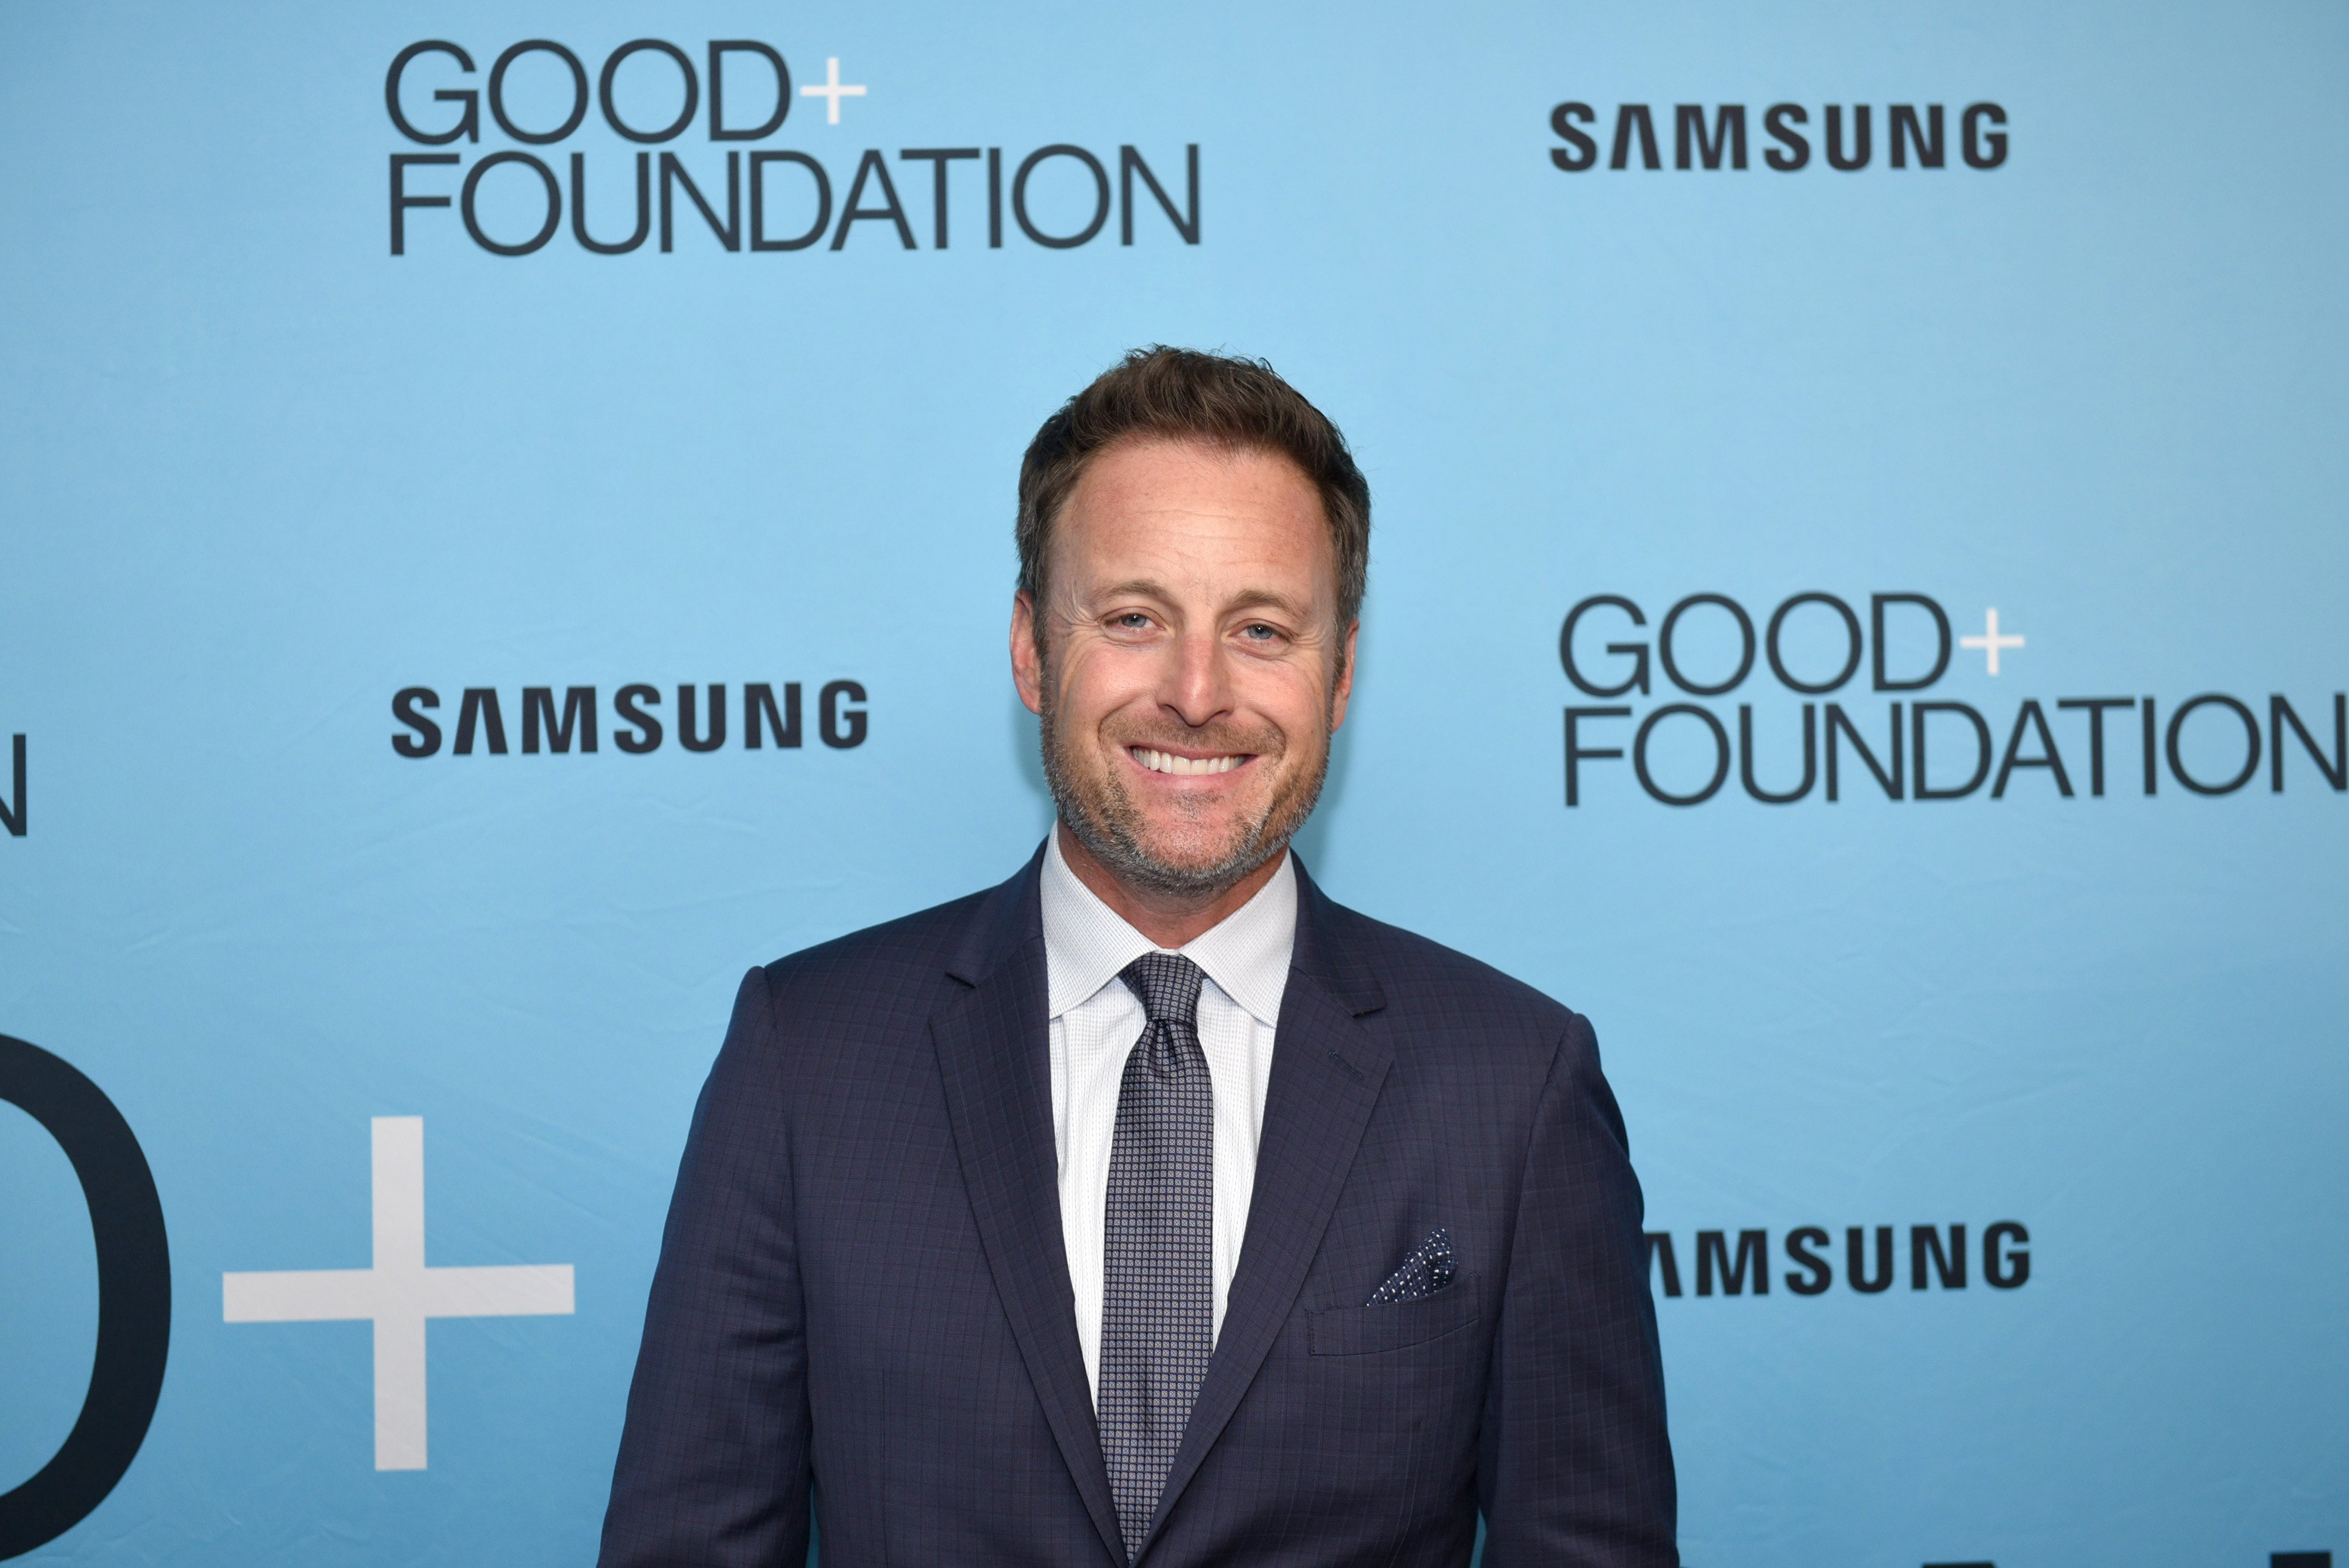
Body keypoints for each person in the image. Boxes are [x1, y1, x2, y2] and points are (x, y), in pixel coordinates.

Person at [598, 347, 1675, 1567]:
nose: (1196, 693)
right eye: (1132, 619)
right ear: (1028, 649)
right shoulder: (806, 1056)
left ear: (1340, 675)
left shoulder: (1515, 1085)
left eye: (1260, 628)